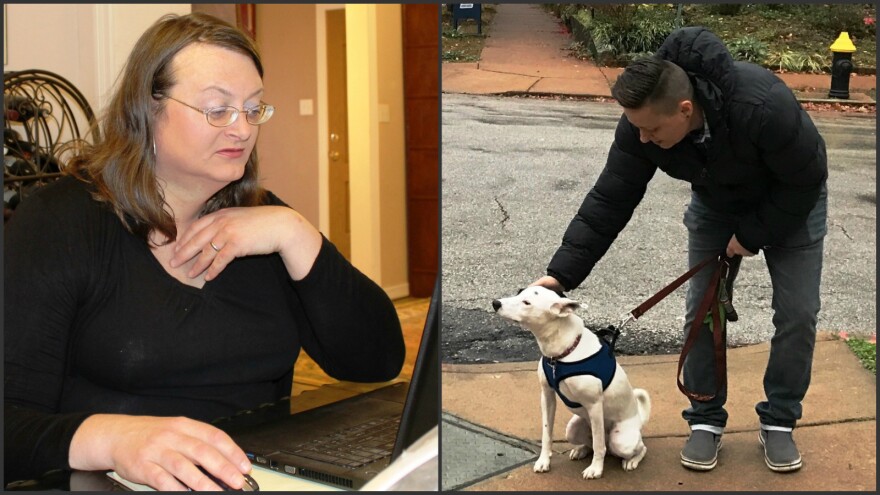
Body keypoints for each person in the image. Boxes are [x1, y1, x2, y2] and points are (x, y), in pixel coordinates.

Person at [4, 12, 405, 491]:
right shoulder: (61, 222)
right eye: (218, 110)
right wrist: (112, 438)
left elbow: (376, 360)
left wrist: (299, 234)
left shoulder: (266, 222)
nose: (241, 130)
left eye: (253, 108)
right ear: (148, 109)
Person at [533, 26, 827, 473]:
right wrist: (561, 277)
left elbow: (806, 177)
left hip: (792, 202)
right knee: (702, 313)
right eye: (639, 130)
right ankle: (706, 419)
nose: (644, 139)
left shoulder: (762, 106)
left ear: (685, 109)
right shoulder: (641, 124)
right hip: (716, 206)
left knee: (798, 313)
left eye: (652, 129)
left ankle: (780, 420)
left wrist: (750, 236)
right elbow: (610, 199)